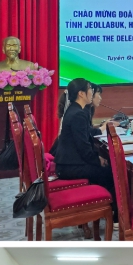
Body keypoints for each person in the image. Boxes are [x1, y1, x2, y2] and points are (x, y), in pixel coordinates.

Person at [54, 78, 116, 212]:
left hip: (68, 163)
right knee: (111, 173)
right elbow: (83, 148)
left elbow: (85, 139)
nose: (92, 92)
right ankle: (114, 214)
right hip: (69, 167)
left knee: (107, 168)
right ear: (81, 93)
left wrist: (97, 158)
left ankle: (106, 209)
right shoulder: (78, 114)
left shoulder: (75, 110)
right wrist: (98, 160)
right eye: (90, 89)